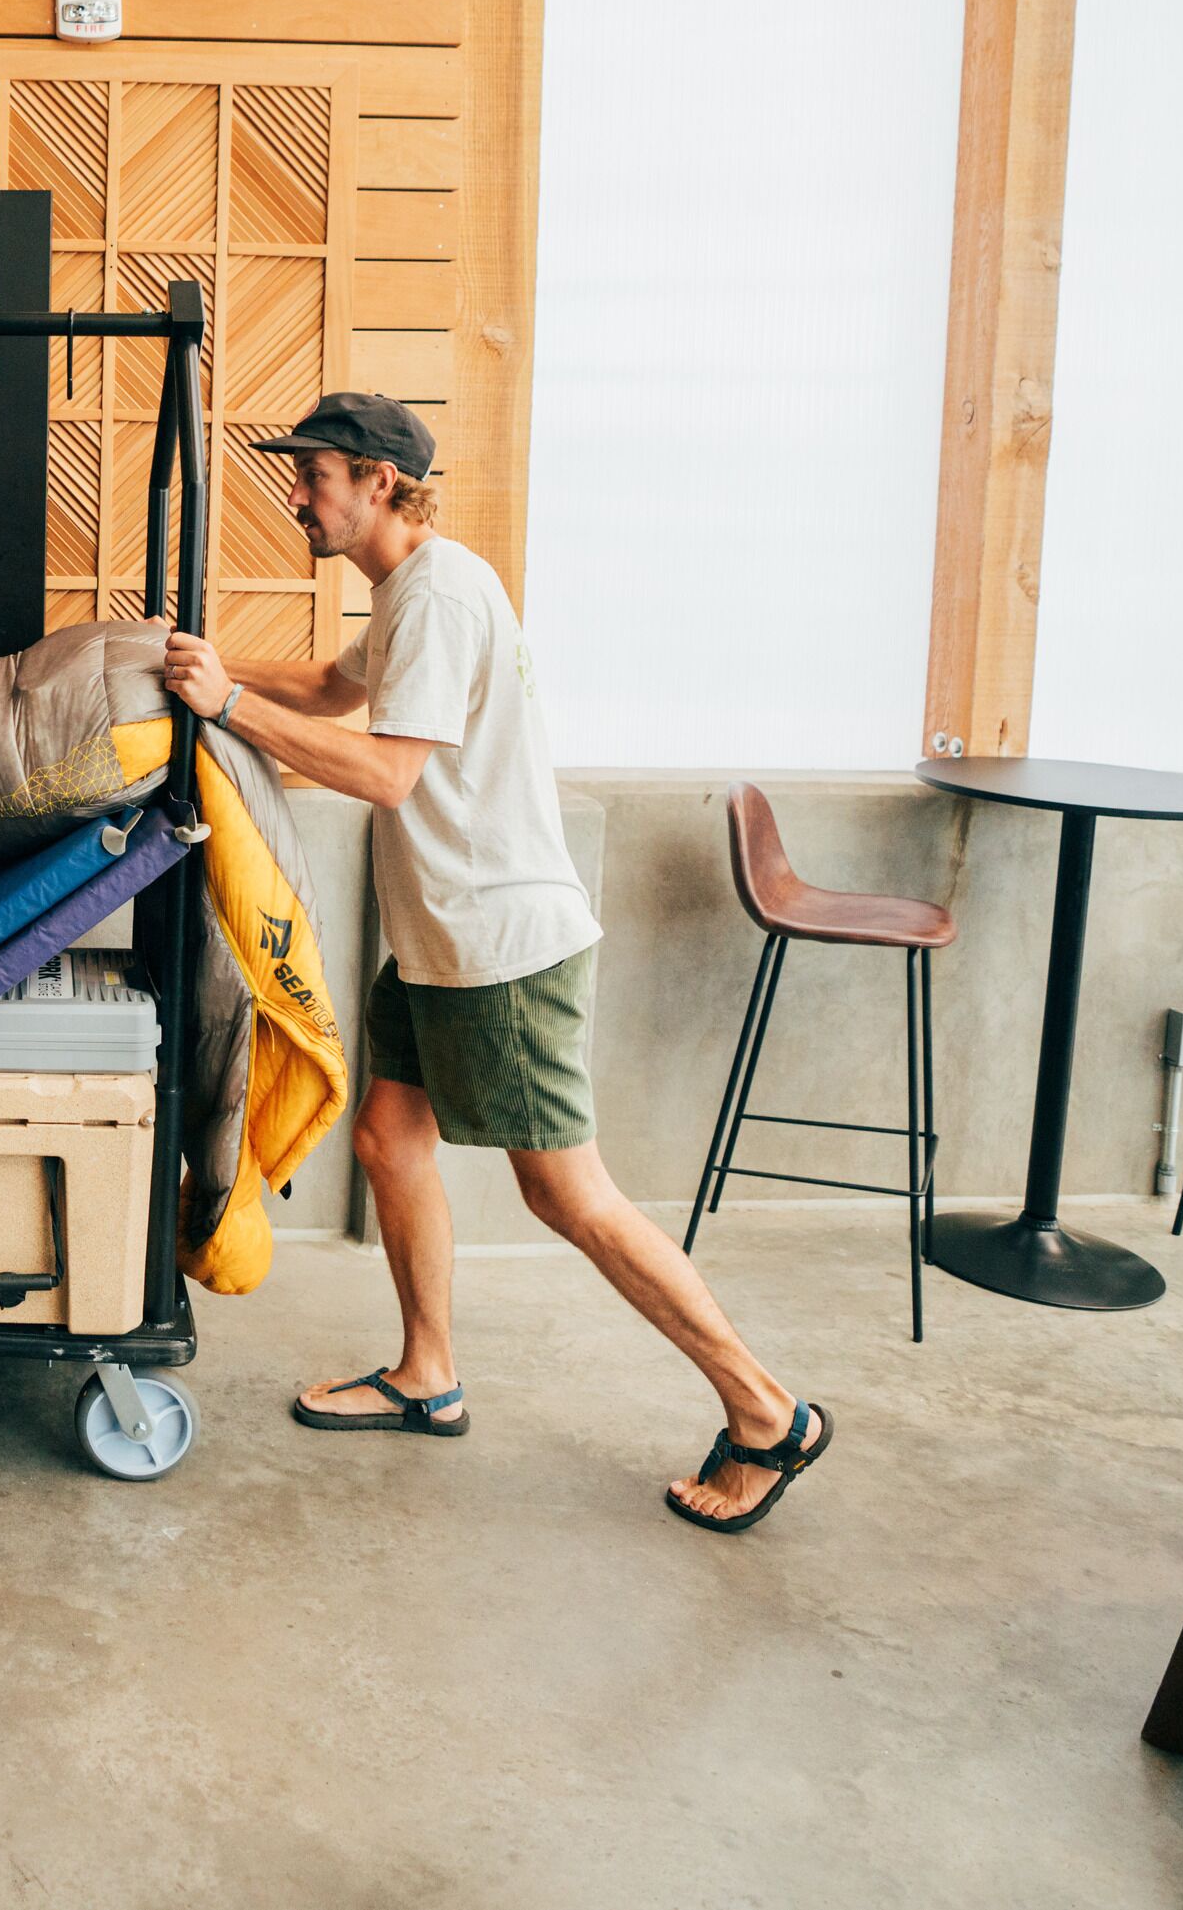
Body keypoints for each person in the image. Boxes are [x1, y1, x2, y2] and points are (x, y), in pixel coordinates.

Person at [156, 392, 829, 1532]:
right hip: (440, 939)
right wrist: (207, 665)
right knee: (388, 1137)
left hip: (498, 947)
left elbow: (386, 774)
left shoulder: (440, 596)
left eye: (314, 474)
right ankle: (428, 1374)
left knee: (568, 1193)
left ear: (378, 482)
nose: (295, 494)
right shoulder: (412, 587)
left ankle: (768, 1409)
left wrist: (223, 703)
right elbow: (330, 687)